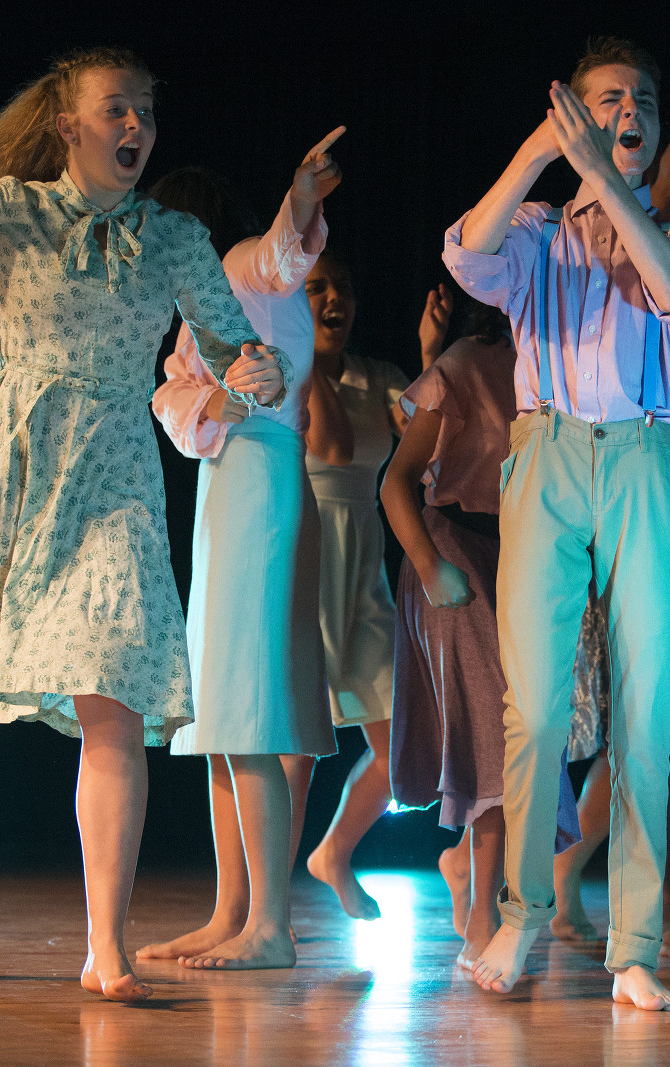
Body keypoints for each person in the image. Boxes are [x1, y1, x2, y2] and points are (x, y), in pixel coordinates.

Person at [0, 34, 289, 1001]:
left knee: (113, 705)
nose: (136, 126)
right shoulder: (12, 212)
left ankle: (105, 946)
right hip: (12, 465)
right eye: (116, 108)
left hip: (115, 477)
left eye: (146, 111)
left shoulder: (174, 236)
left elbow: (240, 349)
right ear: (67, 124)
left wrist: (258, 370)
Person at [442, 36, 670, 1011]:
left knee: (647, 708)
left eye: (643, 97)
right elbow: (466, 253)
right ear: (572, 113)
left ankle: (632, 945)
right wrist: (540, 152)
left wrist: (607, 176)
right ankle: (520, 914)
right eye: (607, 98)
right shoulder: (537, 231)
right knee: (535, 705)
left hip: (642, 455)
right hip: (549, 450)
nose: (629, 110)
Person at [141, 130, 347, 970]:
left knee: (250, 707)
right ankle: (233, 912)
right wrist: (212, 396)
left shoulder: (236, 269)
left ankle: (269, 923)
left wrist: (301, 196)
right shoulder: (203, 311)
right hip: (228, 486)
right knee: (223, 710)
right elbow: (174, 395)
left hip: (259, 479)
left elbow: (280, 255)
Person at [382, 299, 587, 969]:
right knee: (499, 733)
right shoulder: (468, 362)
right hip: (456, 552)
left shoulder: (563, 368)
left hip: (526, 557)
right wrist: (428, 564)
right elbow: (396, 481)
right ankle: (481, 918)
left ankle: (470, 870)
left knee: (527, 727)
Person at [301, 250, 413, 921]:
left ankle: (334, 851)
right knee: (295, 744)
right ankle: (259, 907)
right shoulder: (287, 374)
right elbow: (334, 448)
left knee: (407, 747)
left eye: (342, 286)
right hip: (306, 557)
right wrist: (304, 361)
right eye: (315, 288)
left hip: (365, 564)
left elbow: (431, 442)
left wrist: (431, 357)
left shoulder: (379, 378)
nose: (332, 299)